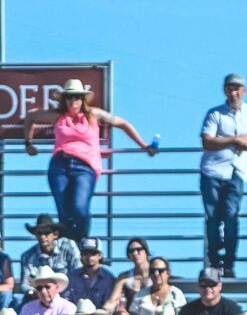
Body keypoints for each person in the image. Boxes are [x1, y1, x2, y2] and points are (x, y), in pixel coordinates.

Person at [22, 79, 153, 245]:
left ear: (83, 99)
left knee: (79, 207)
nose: (73, 101)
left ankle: (82, 241)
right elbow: (31, 116)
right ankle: (69, 247)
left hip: (85, 166)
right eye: (69, 97)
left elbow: (122, 123)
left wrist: (143, 145)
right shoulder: (58, 116)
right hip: (59, 164)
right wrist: (28, 143)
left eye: (77, 97)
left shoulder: (93, 115)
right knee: (64, 210)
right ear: (64, 99)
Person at [198, 73, 247, 275]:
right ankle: (214, 262)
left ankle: (228, 264)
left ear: (243, 91)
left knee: (231, 218)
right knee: (212, 219)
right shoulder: (215, 114)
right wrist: (235, 140)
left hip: (237, 170)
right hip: (212, 171)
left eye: (237, 89)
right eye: (230, 88)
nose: (233, 92)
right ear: (225, 90)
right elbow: (207, 141)